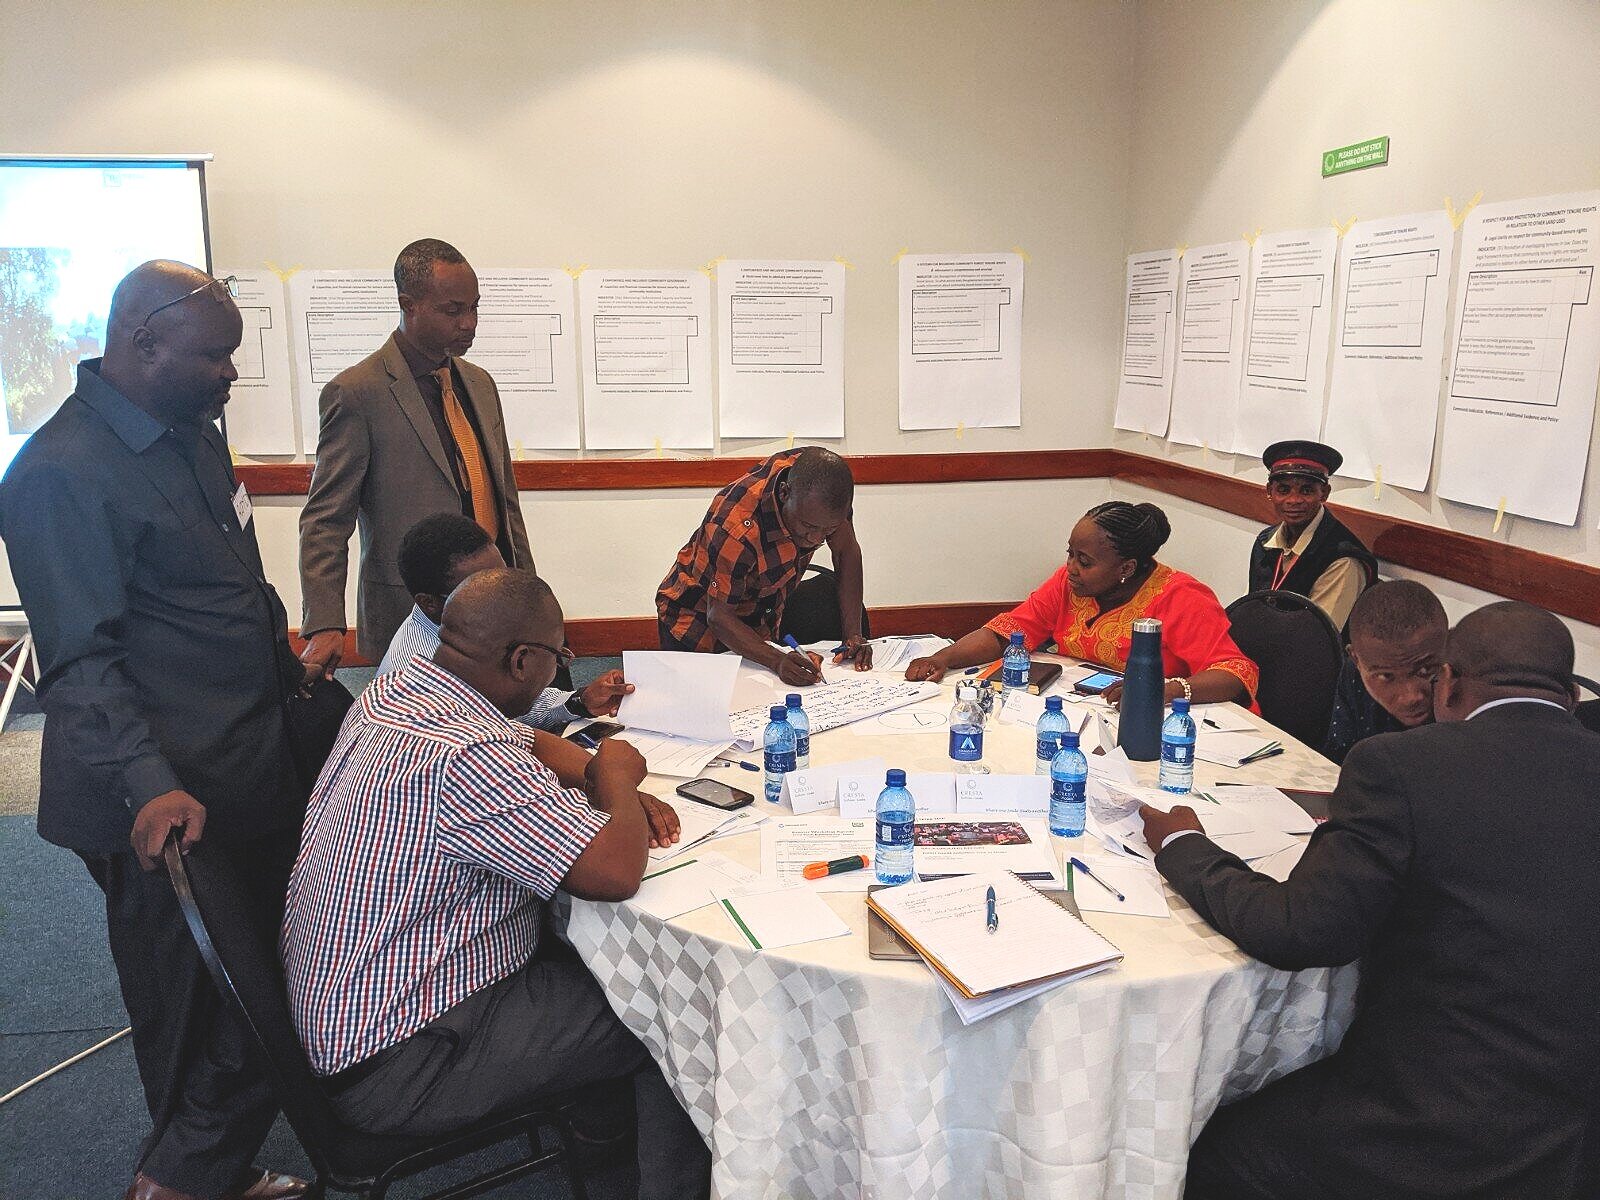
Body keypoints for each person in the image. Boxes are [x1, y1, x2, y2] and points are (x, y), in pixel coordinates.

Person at [0, 262, 308, 1200]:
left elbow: (224, 578)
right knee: (194, 999)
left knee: (261, 977)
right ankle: (176, 1180)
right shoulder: (57, 473)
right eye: (216, 356)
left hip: (244, 756)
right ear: (143, 343)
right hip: (160, 795)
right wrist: (151, 785)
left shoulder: (188, 432)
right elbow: (81, 663)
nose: (229, 374)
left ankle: (205, 1167)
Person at [1140, 601, 1600, 1200]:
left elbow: (1298, 933)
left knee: (1205, 1142)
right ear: (1569, 693)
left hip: (1436, 1126)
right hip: (1578, 1128)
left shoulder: (1400, 766)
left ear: (1450, 681)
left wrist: (1183, 845)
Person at [281, 569, 709, 1199]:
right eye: (560, 660)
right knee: (670, 1013)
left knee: (594, 959)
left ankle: (602, 1145)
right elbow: (614, 874)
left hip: (351, 1009)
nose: (561, 671)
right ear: (521, 661)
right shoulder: (466, 756)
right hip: (405, 1057)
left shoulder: (401, 688)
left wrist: (590, 770)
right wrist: (617, 779)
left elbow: (526, 738)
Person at [297, 238, 533, 675]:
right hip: (409, 612)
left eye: (475, 308)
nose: (469, 323)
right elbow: (325, 519)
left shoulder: (480, 384)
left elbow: (506, 504)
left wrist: (530, 593)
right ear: (408, 304)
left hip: (492, 605)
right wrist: (324, 622)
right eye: (453, 310)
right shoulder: (356, 392)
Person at [906, 501, 1258, 708]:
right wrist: (943, 658)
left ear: (1127, 568)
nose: (1071, 568)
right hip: (1087, 712)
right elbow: (1010, 631)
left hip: (1169, 723)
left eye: (1085, 561)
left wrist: (1161, 691)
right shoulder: (1068, 582)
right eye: (1070, 554)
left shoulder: (1181, 597)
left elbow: (1234, 673)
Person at [379, 512, 631, 726]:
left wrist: (579, 701)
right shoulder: (417, 678)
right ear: (429, 603)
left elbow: (508, 706)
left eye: (502, 576)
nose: (505, 591)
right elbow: (496, 734)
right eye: (479, 587)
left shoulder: (479, 628)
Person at [656, 446, 870, 685]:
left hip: (759, 616)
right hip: (696, 624)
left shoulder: (824, 490)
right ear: (784, 493)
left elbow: (845, 552)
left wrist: (853, 635)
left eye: (828, 530)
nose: (816, 539)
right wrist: (777, 660)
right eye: (808, 527)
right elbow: (718, 617)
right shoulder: (736, 528)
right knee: (707, 708)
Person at [1248, 439, 1376, 630]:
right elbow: (1250, 609)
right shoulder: (1265, 542)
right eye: (1283, 490)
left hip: (1313, 655)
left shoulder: (1343, 560)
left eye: (1306, 490)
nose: (1294, 500)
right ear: (1269, 492)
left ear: (1324, 493)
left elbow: (1316, 639)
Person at [1321, 579, 1448, 764]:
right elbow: (1337, 761)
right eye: (1385, 676)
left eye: (1425, 670)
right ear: (1357, 660)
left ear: (1449, 648)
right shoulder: (1354, 675)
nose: (1411, 697)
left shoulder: (1468, 690)